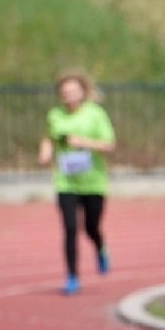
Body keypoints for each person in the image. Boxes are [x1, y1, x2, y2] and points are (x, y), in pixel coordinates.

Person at [37, 72, 116, 295]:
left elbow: (110, 145)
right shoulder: (55, 115)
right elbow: (49, 137)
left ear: (82, 92)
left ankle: (100, 247)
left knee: (91, 227)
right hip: (66, 182)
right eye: (64, 92)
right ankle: (72, 276)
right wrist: (45, 152)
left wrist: (84, 142)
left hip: (93, 182)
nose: (68, 96)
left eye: (73, 91)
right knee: (70, 228)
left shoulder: (96, 114)